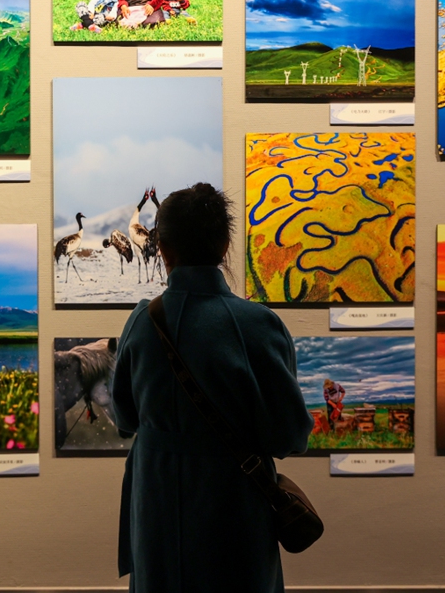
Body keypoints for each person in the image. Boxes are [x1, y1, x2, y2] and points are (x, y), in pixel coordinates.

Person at [112, 183, 313, 593]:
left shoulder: (141, 322)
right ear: (224, 246)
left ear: (162, 248)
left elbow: (125, 418)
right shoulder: (259, 325)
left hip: (156, 499)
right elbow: (290, 436)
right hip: (234, 502)